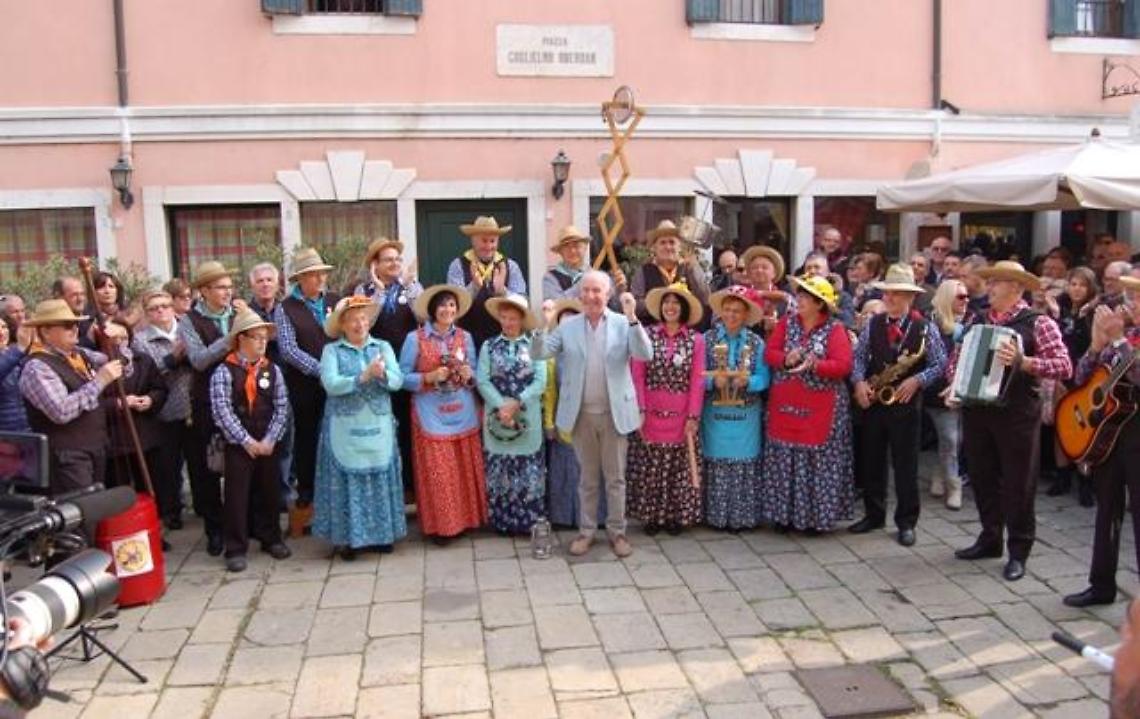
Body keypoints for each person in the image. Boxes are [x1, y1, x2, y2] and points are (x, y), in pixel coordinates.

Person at [951, 260, 1073, 582]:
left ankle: (1019, 551)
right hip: (978, 410)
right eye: (989, 282)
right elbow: (958, 357)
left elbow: (1064, 366)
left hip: (1017, 414)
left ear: (1016, 288)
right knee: (982, 475)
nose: (988, 288)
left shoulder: (1039, 323)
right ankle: (990, 538)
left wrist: (1025, 362)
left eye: (996, 283)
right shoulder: (977, 319)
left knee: (1019, 482)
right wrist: (954, 385)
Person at [534, 271, 650, 557]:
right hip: (581, 415)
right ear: (578, 295)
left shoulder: (624, 323)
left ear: (608, 294)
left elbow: (644, 353)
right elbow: (538, 354)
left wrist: (633, 315)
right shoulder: (569, 326)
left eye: (596, 291)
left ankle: (617, 533)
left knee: (615, 478)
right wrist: (544, 325)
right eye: (585, 290)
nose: (590, 296)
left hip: (614, 414)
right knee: (587, 478)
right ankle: (586, 532)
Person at [849, 265, 948, 546]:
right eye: (888, 293)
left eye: (898, 294)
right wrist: (859, 383)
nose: (890, 298)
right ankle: (873, 514)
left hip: (905, 404)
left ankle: (906, 522)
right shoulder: (873, 323)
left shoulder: (925, 327)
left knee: (906, 464)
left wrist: (917, 380)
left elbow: (940, 363)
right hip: (875, 401)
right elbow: (858, 358)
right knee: (872, 460)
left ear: (910, 298)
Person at [1062, 275, 1140, 608]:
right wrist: (1095, 346)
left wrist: (1119, 339)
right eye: (1130, 295)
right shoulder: (1120, 337)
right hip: (1110, 436)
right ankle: (1100, 584)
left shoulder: (1125, 338)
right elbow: (1081, 379)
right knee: (1107, 510)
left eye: (1136, 296)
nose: (1129, 303)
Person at [314, 296, 406, 561]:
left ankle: (382, 535)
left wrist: (383, 375)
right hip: (345, 425)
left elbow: (398, 380)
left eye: (364, 318)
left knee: (379, 474)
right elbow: (330, 383)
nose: (359, 324)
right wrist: (362, 376)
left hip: (378, 422)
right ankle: (347, 539)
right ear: (342, 324)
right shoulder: (332, 351)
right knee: (347, 478)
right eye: (353, 319)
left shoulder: (382, 347)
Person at [760, 275, 854, 533]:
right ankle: (783, 516)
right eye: (799, 295)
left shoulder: (835, 329)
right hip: (786, 404)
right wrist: (786, 358)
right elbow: (769, 353)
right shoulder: (787, 324)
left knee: (817, 463)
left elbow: (844, 366)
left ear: (819, 304)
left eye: (805, 297)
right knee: (783, 460)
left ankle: (814, 519)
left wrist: (816, 364)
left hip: (821, 407)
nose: (798, 300)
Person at [399, 285, 487, 543]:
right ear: (432, 310)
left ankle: (468, 520)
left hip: (462, 410)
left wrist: (470, 376)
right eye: (442, 305)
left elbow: (476, 374)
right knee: (439, 470)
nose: (447, 310)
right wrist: (428, 377)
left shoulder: (465, 337)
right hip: (430, 413)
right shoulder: (414, 339)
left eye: (451, 305)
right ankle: (443, 527)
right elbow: (401, 377)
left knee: (461, 467)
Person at [209, 310, 291, 572]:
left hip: (267, 440)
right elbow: (222, 411)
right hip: (238, 444)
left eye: (264, 338)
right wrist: (245, 441)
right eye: (255, 338)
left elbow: (282, 407)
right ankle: (235, 547)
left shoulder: (272, 370)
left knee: (270, 490)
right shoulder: (224, 370)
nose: (261, 343)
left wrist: (270, 439)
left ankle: (271, 537)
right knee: (236, 495)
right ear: (241, 339)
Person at [18, 299, 123, 494]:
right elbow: (61, 411)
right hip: (66, 456)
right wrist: (100, 381)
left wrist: (118, 342)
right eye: (67, 325)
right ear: (45, 331)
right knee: (79, 517)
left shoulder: (79, 354)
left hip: (94, 448)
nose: (74, 329)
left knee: (94, 513)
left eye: (76, 324)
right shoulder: (37, 367)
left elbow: (123, 366)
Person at [627, 283, 706, 536]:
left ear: (683, 308)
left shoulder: (696, 340)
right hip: (650, 412)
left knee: (677, 469)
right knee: (651, 468)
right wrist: (639, 409)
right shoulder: (646, 335)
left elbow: (698, 379)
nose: (670, 307)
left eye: (676, 302)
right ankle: (651, 517)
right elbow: (636, 374)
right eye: (666, 302)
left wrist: (693, 415)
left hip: (682, 413)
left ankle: (675, 517)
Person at [179, 260, 244, 557]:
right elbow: (198, 360)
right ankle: (214, 530)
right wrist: (229, 341)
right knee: (208, 469)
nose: (227, 293)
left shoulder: (239, 313)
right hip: (205, 402)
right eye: (220, 287)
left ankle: (242, 527)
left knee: (240, 467)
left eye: (229, 287)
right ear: (204, 291)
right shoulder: (189, 321)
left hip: (241, 398)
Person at [274, 247, 339, 536]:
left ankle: (335, 486)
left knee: (338, 435)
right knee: (307, 438)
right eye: (314, 275)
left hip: (338, 384)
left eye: (322, 274)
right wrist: (322, 370)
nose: (320, 279)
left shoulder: (336, 301)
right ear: (301, 278)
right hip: (305, 385)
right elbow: (288, 350)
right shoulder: (285, 308)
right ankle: (308, 491)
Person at [355, 237, 422, 494]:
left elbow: (423, 317)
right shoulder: (364, 291)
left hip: (406, 366)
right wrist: (380, 292)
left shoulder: (411, 287)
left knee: (407, 425)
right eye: (388, 259)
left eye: (397, 259)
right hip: (377, 368)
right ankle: (384, 485)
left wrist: (409, 286)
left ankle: (409, 486)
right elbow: (364, 323)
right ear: (376, 265)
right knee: (381, 425)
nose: (394, 263)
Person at [701, 285, 770, 531]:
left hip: (746, 413)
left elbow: (765, 378)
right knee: (717, 461)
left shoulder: (756, 342)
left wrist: (749, 381)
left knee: (743, 461)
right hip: (714, 413)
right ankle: (717, 517)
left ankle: (742, 518)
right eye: (727, 310)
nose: (731, 315)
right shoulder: (706, 339)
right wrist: (711, 381)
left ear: (745, 315)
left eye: (737, 311)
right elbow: (694, 377)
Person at [476, 294, 547, 535]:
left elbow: (541, 380)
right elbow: (482, 380)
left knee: (528, 468)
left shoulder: (534, 344)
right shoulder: (489, 346)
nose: (508, 323)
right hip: (498, 417)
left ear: (522, 320)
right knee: (500, 467)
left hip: (527, 416)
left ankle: (528, 522)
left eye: (513, 318)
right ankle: (503, 522)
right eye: (504, 318)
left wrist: (518, 402)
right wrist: (501, 406)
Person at [133, 289, 193, 529]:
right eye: (154, 308)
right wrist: (172, 359)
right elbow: (147, 374)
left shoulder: (187, 329)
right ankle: (171, 511)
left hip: (192, 407)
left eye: (165, 305)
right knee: (168, 467)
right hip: (164, 412)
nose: (161, 311)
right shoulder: (140, 339)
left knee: (199, 464)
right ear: (147, 314)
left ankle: (203, 506)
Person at [540, 298, 602, 528]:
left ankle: (596, 517)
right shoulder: (553, 357)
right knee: (566, 471)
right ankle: (565, 517)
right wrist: (549, 423)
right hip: (565, 422)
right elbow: (549, 392)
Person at [1045, 266, 1099, 503]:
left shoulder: (1093, 312)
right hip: (1062, 377)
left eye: (1082, 285)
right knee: (1060, 426)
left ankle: (1085, 480)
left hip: (1085, 378)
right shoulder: (1060, 309)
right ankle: (1061, 475)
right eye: (1073, 283)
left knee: (1084, 429)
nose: (1076, 289)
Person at [923, 279, 973, 510]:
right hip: (937, 391)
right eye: (960, 297)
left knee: (958, 438)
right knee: (951, 439)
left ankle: (939, 473)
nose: (966, 301)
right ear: (946, 298)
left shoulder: (972, 322)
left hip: (964, 388)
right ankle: (955, 486)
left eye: (967, 296)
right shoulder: (930, 323)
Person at [100, 319, 166, 493]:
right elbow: (93, 402)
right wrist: (119, 403)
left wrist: (150, 400)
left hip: (145, 437)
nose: (120, 342)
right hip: (115, 441)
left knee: (153, 486)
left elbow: (160, 388)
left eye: (124, 337)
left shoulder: (143, 360)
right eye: (115, 338)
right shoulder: (96, 364)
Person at [446, 216, 526, 349]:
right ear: (473, 240)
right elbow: (453, 306)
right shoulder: (458, 265)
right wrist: (474, 288)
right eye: (484, 241)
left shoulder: (511, 266)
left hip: (504, 340)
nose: (488, 246)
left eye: (492, 241)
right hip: (467, 340)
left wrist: (503, 292)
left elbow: (523, 304)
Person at [630, 220, 710, 328]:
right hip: (653, 336)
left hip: (686, 337)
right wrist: (661, 301)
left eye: (672, 242)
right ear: (654, 247)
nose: (668, 247)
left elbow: (705, 299)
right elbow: (635, 305)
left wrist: (694, 267)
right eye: (663, 243)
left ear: (679, 246)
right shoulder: (643, 272)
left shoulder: (689, 268)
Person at [740, 245, 791, 338]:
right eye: (755, 267)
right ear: (749, 273)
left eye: (764, 267)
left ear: (774, 273)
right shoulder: (740, 296)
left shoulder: (784, 299)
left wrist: (777, 326)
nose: (759, 270)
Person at [543, 225, 591, 301]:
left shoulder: (595, 274)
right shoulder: (550, 278)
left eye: (576, 246)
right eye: (566, 247)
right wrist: (581, 285)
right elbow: (555, 306)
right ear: (560, 252)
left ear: (584, 248)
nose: (572, 251)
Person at [0, 319, 31, 432]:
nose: (1, 332)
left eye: (4, 327)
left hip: (30, 432)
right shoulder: (16, 353)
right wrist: (20, 348)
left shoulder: (17, 355)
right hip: (7, 436)